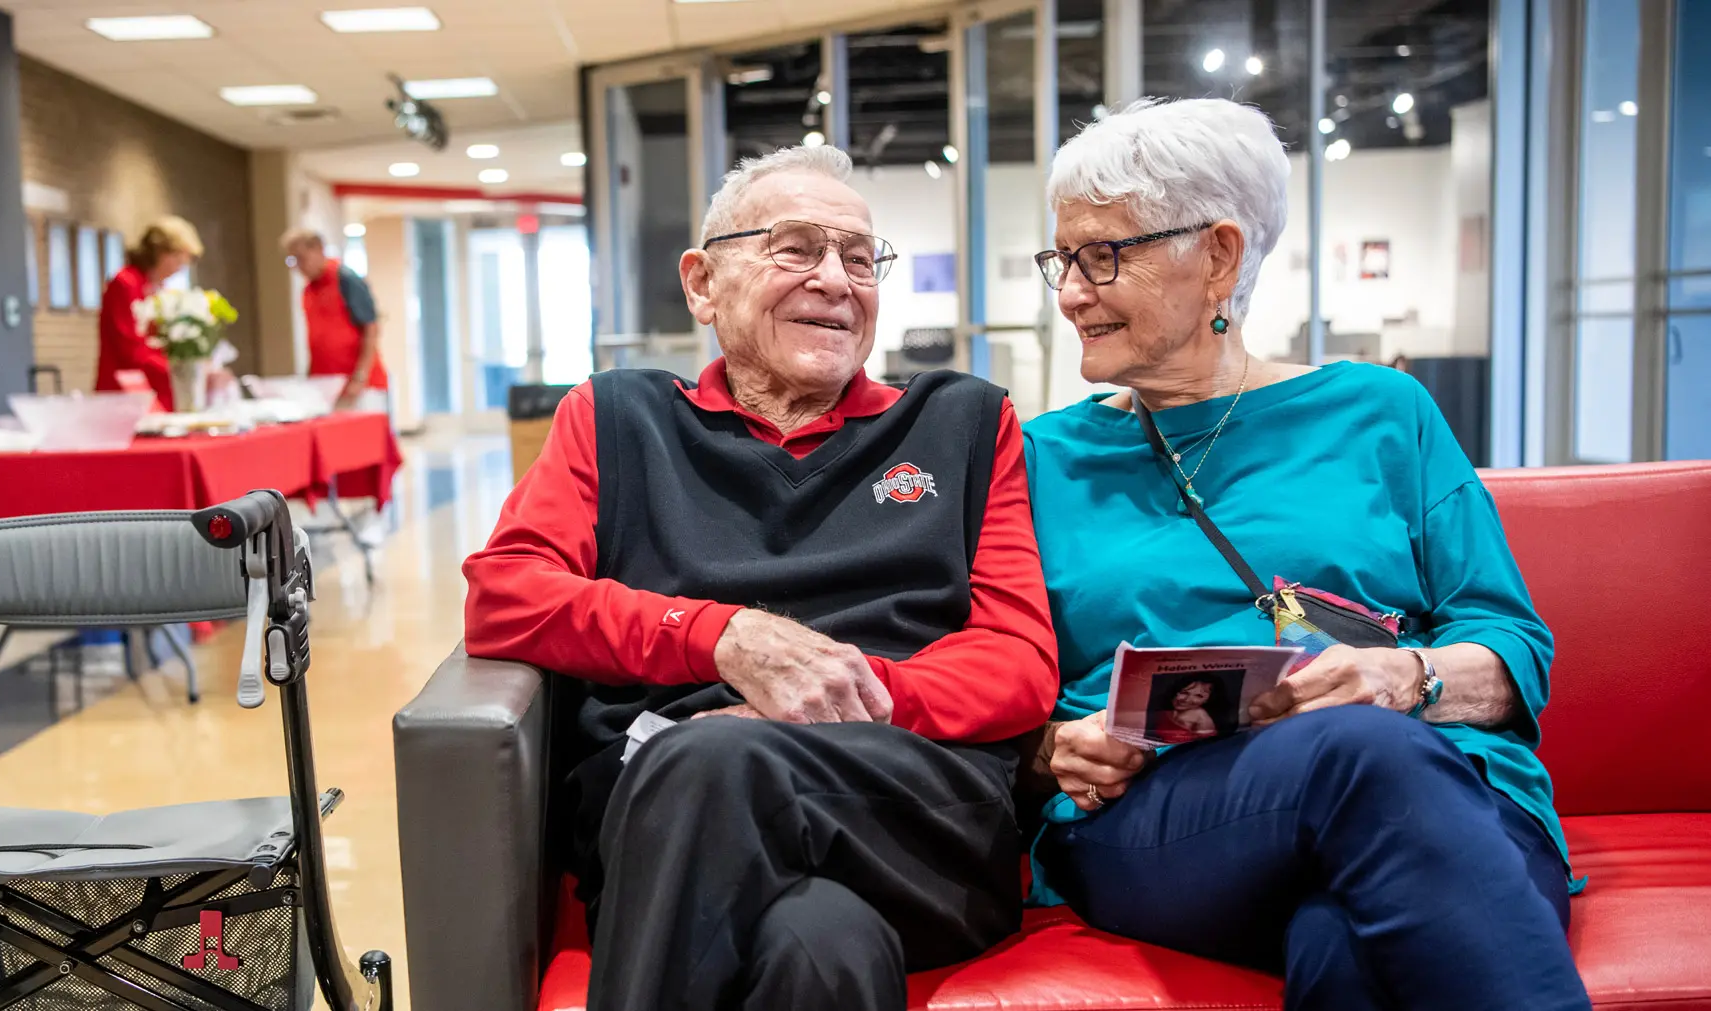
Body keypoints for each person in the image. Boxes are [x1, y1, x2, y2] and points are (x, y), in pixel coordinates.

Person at [1020, 98, 1591, 1010]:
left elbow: (1509, 641)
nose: (1070, 291)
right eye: (1065, 258)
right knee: (1363, 756)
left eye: (1104, 256)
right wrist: (1054, 748)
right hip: (1168, 819)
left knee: (1344, 949)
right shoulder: (1039, 458)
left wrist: (1405, 675)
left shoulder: (1383, 411)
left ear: (1218, 255)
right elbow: (995, 684)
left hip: (1443, 790)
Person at [463, 145, 1058, 1011]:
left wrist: (831, 689)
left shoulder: (962, 421)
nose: (836, 280)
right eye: (795, 247)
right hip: (671, 816)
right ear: (703, 283)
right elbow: (505, 595)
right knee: (820, 952)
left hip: (901, 808)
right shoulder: (616, 416)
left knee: (710, 756)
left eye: (859, 258)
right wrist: (723, 637)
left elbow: (1017, 662)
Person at [97, 216, 202, 410]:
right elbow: (128, 347)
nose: (179, 269)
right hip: (128, 389)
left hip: (158, 387)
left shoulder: (160, 288)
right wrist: (173, 367)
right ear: (162, 253)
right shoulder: (126, 283)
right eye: (178, 260)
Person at [281, 230, 386, 411]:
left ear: (319, 249)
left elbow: (371, 327)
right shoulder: (308, 291)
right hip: (326, 386)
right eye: (292, 261)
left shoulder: (346, 279)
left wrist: (359, 377)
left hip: (359, 384)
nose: (299, 267)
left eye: (301, 258)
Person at [1150, 677, 1217, 744]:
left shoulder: (1202, 719)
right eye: (1184, 692)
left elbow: (1207, 748)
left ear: (1207, 700)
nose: (1187, 699)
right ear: (1175, 691)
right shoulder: (1163, 713)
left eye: (1199, 696)